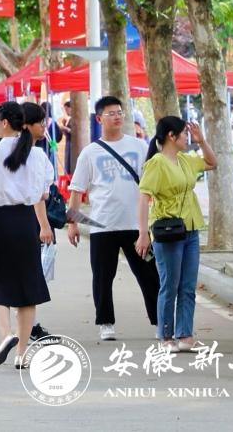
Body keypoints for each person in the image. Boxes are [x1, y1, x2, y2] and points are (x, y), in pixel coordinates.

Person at [65, 96, 160, 341]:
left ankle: (160, 321)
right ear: (99, 119)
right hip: (102, 226)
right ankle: (105, 322)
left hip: (136, 225)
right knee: (103, 278)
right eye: (111, 113)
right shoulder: (90, 153)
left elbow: (154, 179)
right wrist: (72, 223)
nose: (117, 117)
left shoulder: (139, 146)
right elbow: (76, 190)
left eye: (120, 112)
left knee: (149, 275)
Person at [0, 101, 54, 370]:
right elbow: (43, 193)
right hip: (25, 222)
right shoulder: (38, 155)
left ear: (5, 122)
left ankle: (7, 335)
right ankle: (22, 354)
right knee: (27, 288)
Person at [136, 115, 217, 352]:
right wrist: (143, 233)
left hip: (191, 229)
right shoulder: (157, 163)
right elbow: (143, 198)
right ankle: (166, 336)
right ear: (171, 136)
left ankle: (185, 335)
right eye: (184, 134)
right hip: (167, 230)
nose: (187, 138)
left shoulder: (184, 160)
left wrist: (202, 141)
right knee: (169, 284)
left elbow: (212, 163)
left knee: (188, 286)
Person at [21, 102, 56, 342]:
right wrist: (44, 225)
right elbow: (38, 194)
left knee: (29, 274)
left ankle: (27, 326)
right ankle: (28, 327)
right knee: (32, 275)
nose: (44, 126)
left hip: (14, 221)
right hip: (30, 221)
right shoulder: (35, 156)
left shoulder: (31, 153)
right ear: (26, 125)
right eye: (39, 122)